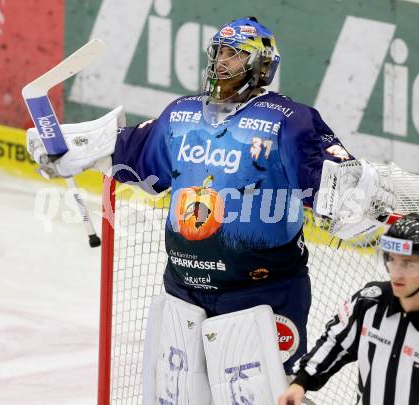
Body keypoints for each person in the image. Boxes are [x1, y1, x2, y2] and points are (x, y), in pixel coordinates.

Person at [26, 16, 396, 402]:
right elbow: (131, 150)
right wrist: (70, 148)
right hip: (183, 291)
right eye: (219, 51)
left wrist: (359, 199)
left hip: (263, 295)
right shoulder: (181, 114)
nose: (221, 61)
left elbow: (333, 181)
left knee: (272, 396)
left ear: (262, 66)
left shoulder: (286, 120)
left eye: (234, 55)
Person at [278, 213, 419, 405]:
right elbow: (336, 343)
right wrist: (300, 382)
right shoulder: (370, 301)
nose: (396, 273)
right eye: (391, 259)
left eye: (408, 264)